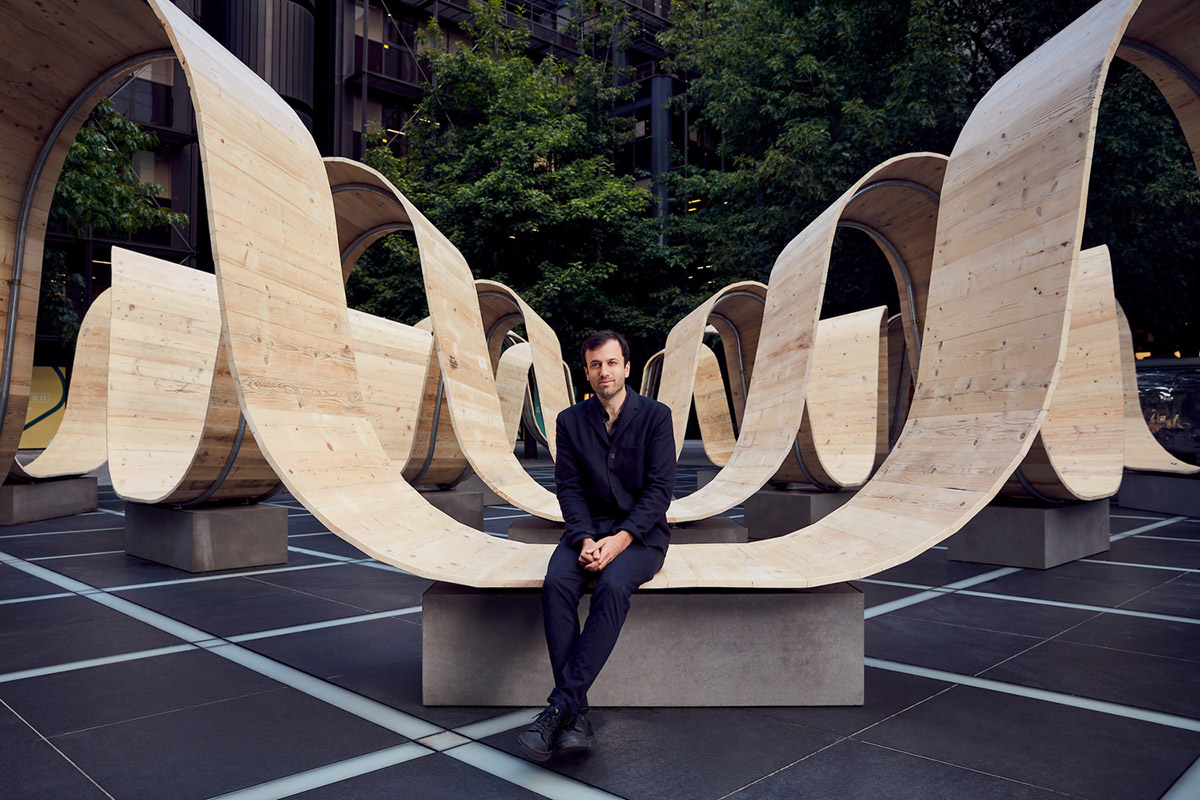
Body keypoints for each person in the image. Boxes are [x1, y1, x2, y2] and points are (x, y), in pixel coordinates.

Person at [517, 330, 676, 761]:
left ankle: (558, 709)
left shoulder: (656, 416)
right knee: (556, 584)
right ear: (586, 371)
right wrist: (586, 538)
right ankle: (577, 715)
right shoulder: (570, 421)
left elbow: (661, 490)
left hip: (639, 536)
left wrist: (620, 540)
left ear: (626, 367)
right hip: (585, 531)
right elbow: (568, 488)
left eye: (611, 363)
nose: (603, 371)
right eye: (594, 365)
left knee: (612, 587)